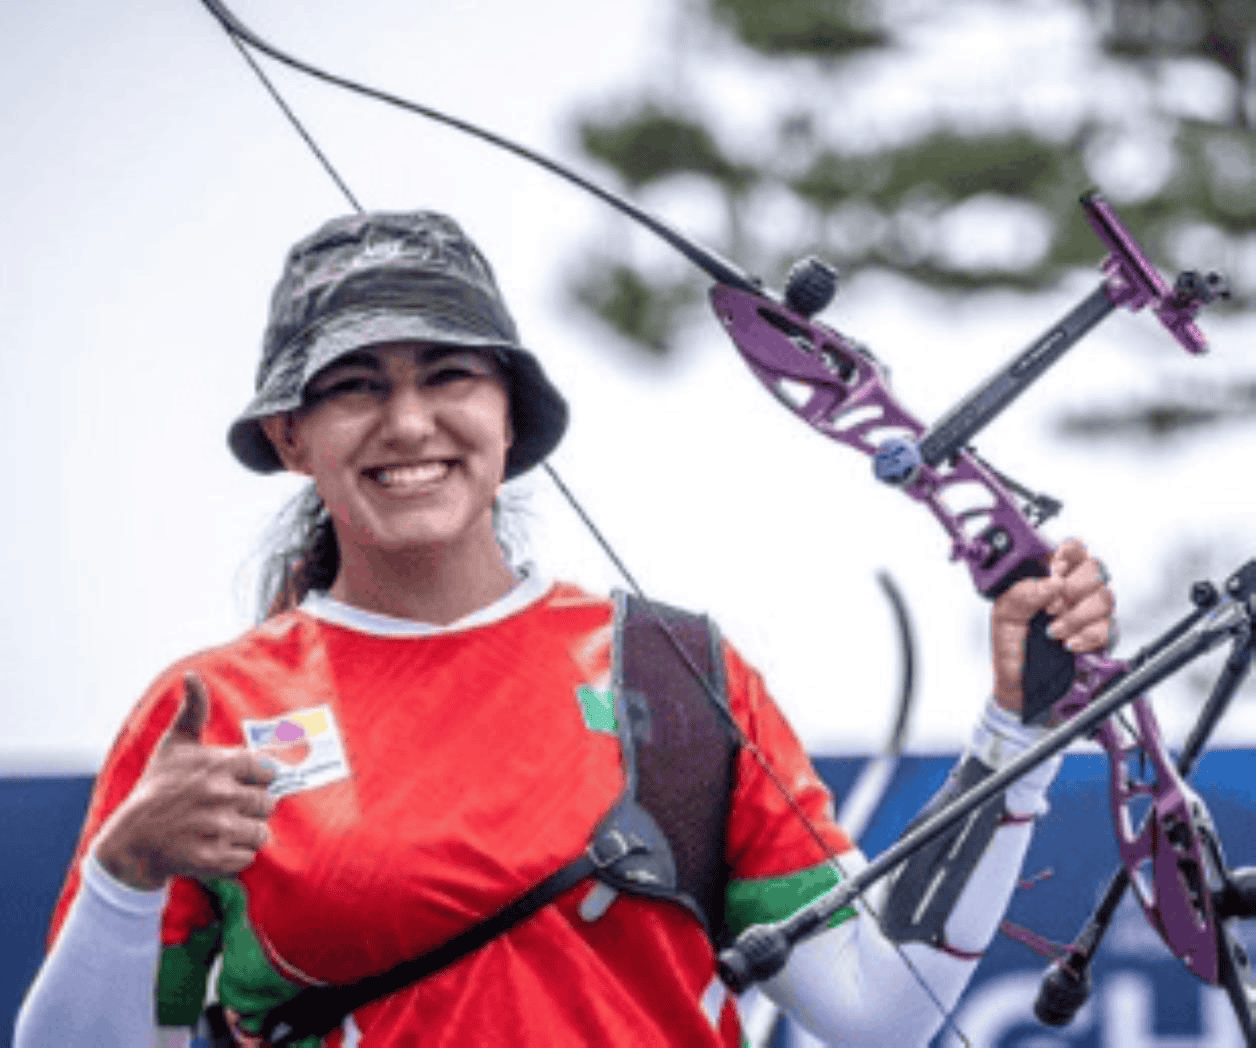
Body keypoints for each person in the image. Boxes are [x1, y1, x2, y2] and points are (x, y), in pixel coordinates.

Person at [14, 210, 1114, 1048]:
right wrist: (126, 873)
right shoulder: (212, 715)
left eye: (448, 375)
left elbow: (878, 1010)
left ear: (509, 418)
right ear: (290, 437)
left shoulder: (675, 672)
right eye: (353, 387)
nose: (408, 423)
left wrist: (1017, 734)